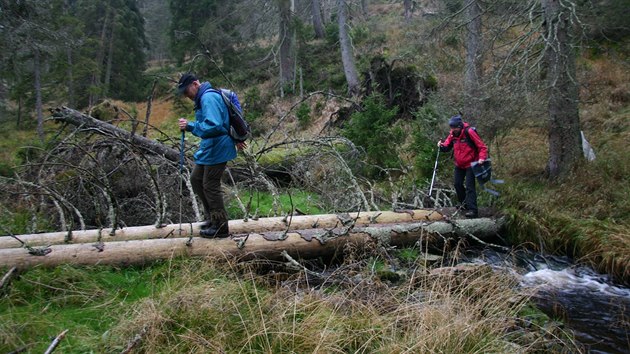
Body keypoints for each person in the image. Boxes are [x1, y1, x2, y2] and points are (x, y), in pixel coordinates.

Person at [177, 73, 238, 238]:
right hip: (210, 148)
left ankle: (221, 226)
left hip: (218, 147)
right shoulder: (203, 98)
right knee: (196, 180)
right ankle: (211, 218)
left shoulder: (208, 98)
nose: (186, 95)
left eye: (186, 90)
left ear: (196, 84)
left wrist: (190, 126)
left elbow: (214, 125)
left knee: (210, 185)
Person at [437, 115, 488, 218]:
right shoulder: (452, 135)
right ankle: (463, 204)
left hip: (471, 164)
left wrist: (482, 158)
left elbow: (482, 147)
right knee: (457, 184)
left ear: (460, 126)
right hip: (459, 164)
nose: (452, 130)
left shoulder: (469, 132)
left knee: (470, 187)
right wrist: (441, 146)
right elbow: (447, 147)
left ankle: (473, 210)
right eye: (451, 127)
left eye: (454, 127)